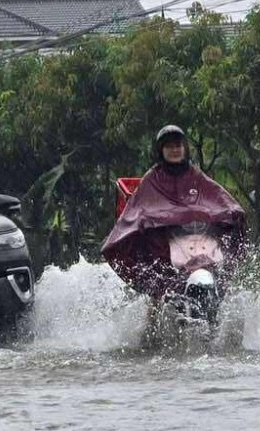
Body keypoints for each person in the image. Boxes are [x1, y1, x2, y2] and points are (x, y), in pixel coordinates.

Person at [100, 125, 247, 301]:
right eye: (169, 146)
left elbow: (217, 198)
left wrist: (230, 212)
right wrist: (156, 220)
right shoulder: (152, 179)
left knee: (221, 273)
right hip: (168, 240)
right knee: (160, 285)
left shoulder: (195, 175)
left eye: (178, 145)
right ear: (161, 150)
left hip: (200, 237)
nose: (174, 150)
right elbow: (139, 210)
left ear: (184, 148)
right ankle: (157, 307)